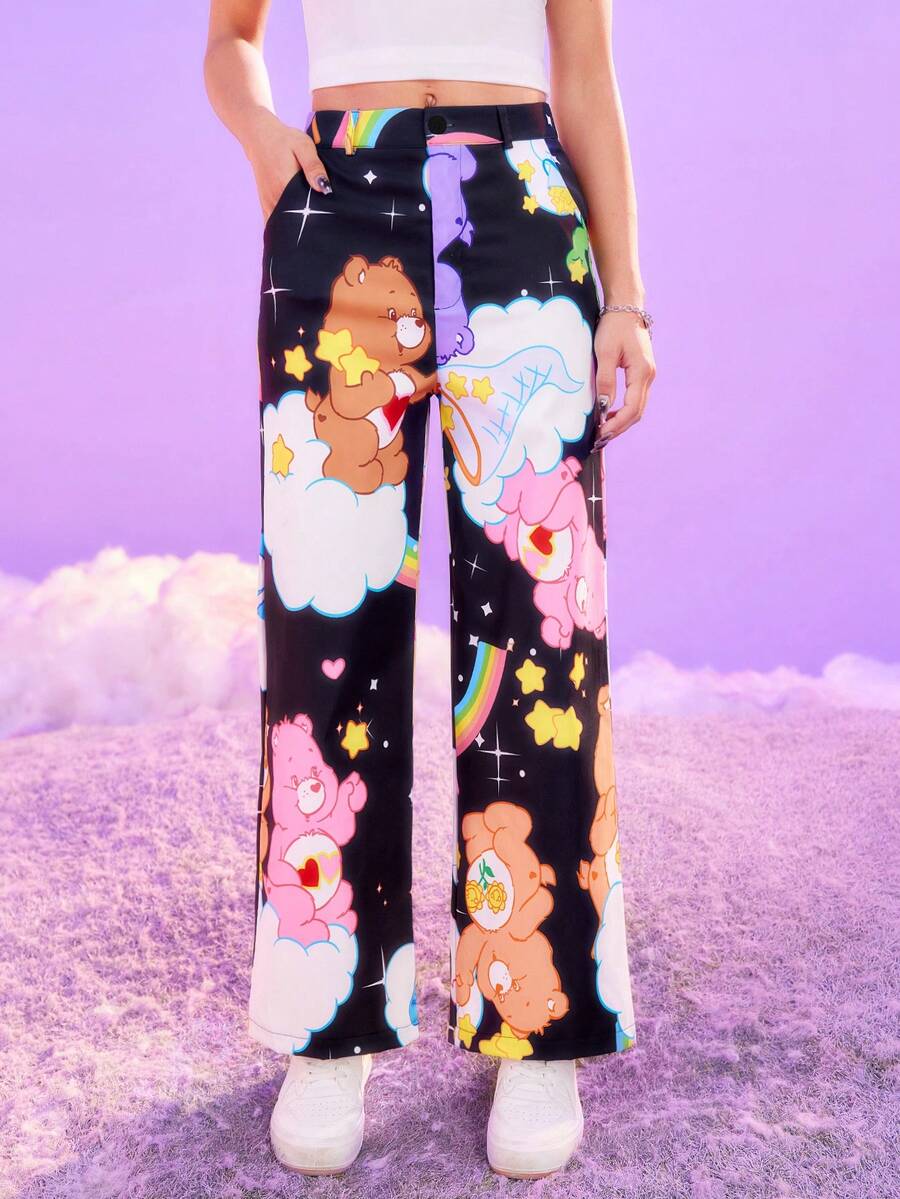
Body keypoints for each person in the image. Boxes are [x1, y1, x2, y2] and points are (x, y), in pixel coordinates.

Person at [204, 0, 655, 1180]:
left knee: (545, 633)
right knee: (323, 629)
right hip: (337, 207)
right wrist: (265, 141)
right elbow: (231, 38)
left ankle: (538, 1017)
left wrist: (625, 296)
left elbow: (587, 73)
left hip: (523, 211)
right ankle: (330, 1020)